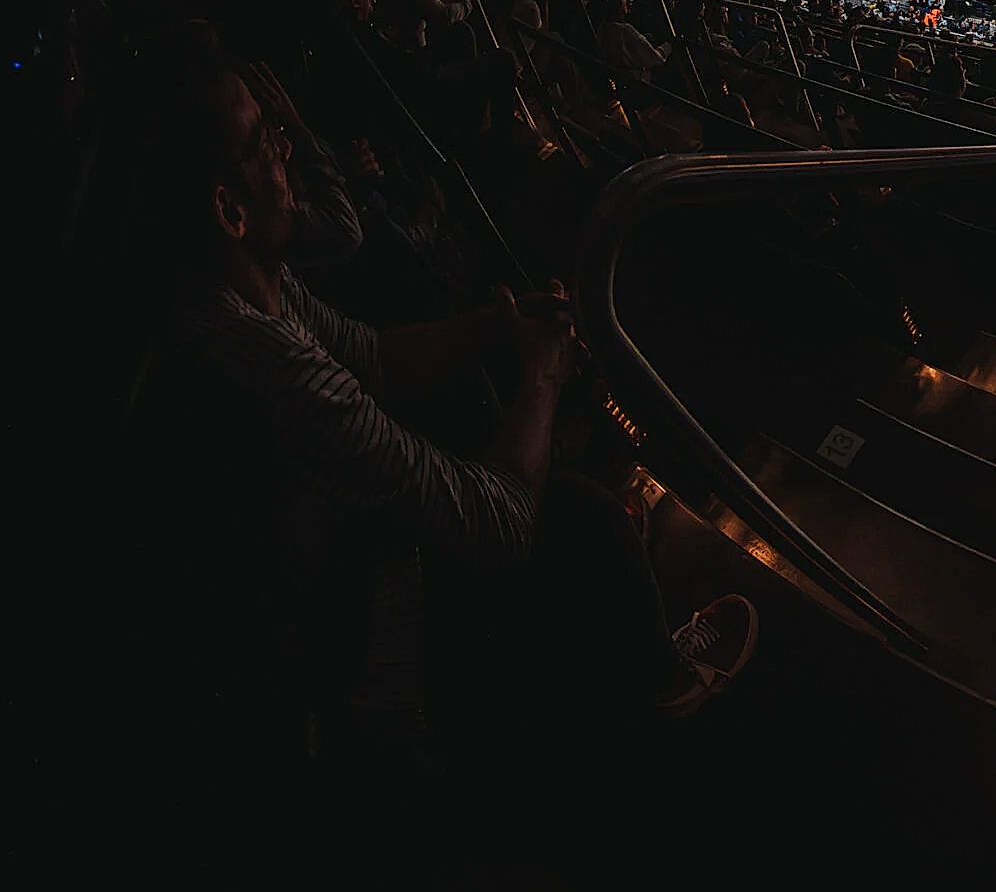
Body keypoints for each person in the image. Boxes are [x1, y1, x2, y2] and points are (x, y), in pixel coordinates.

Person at [128, 49, 759, 773]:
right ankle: (661, 691)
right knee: (579, 521)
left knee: (466, 391)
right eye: (263, 139)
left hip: (352, 580)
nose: (287, 145)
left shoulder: (237, 289)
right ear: (227, 208)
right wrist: (545, 372)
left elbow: (373, 355)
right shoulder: (264, 369)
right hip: (377, 674)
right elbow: (498, 521)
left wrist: (494, 325)